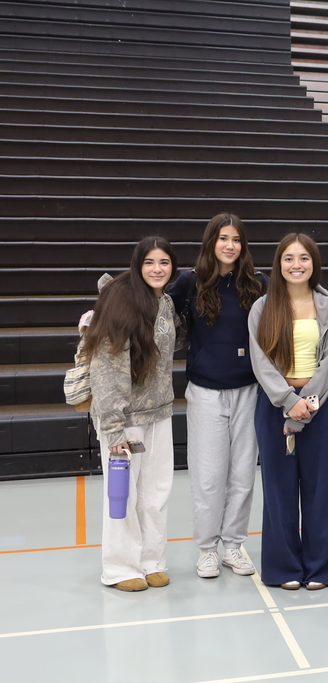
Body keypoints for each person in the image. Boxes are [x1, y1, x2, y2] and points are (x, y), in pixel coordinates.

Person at [169, 214, 267, 580]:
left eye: (236, 239)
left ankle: (232, 545)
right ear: (211, 242)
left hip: (249, 392)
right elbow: (153, 304)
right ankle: (207, 549)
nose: (230, 245)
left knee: (242, 474)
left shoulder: (257, 283)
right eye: (223, 238)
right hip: (206, 394)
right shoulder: (190, 282)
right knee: (209, 476)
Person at [83, 236, 182, 591]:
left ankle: (152, 560)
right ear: (138, 266)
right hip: (125, 419)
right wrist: (113, 429)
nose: (158, 269)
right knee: (123, 495)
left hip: (159, 413)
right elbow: (108, 368)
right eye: (150, 263)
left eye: (164, 263)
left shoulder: (166, 302)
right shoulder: (122, 304)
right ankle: (120, 568)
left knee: (156, 492)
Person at [249, 233, 328, 590]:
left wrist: (309, 402)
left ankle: (319, 567)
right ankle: (283, 566)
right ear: (279, 264)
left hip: (319, 409)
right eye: (288, 258)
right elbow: (260, 362)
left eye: (303, 258)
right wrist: (290, 402)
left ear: (314, 263)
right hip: (275, 406)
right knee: (279, 487)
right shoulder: (262, 308)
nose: (296, 265)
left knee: (321, 488)